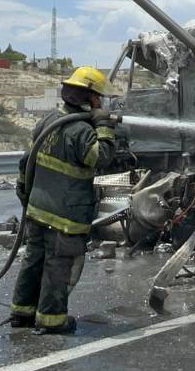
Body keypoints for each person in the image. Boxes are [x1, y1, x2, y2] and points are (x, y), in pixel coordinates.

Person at [7, 66, 128, 335]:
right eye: (99, 98)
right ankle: (51, 320)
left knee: (33, 260)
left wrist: (26, 193)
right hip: (64, 215)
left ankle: (21, 312)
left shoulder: (48, 119)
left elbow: (27, 162)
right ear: (90, 99)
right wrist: (105, 127)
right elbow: (103, 158)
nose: (101, 102)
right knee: (57, 265)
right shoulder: (81, 131)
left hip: (37, 210)